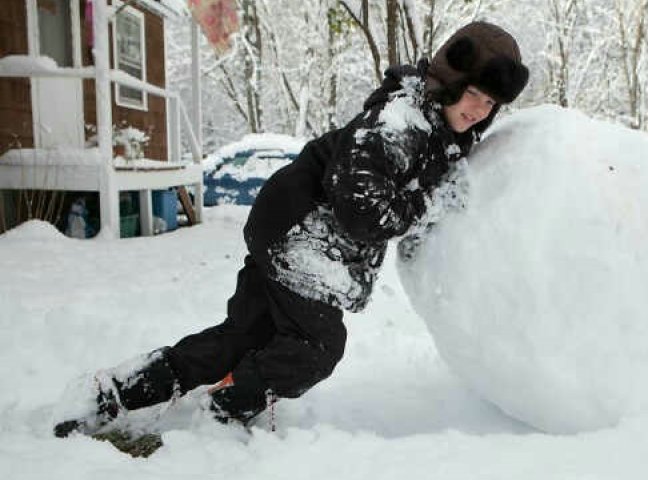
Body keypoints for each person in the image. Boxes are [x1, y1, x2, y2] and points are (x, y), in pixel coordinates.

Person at [53, 21, 529, 437]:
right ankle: (219, 412)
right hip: (301, 234)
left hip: (285, 224)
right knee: (317, 348)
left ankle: (112, 393)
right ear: (450, 80)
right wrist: (429, 202)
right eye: (472, 94)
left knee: (241, 337)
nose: (478, 109)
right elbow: (361, 211)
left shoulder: (432, 127)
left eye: (490, 103)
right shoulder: (397, 125)